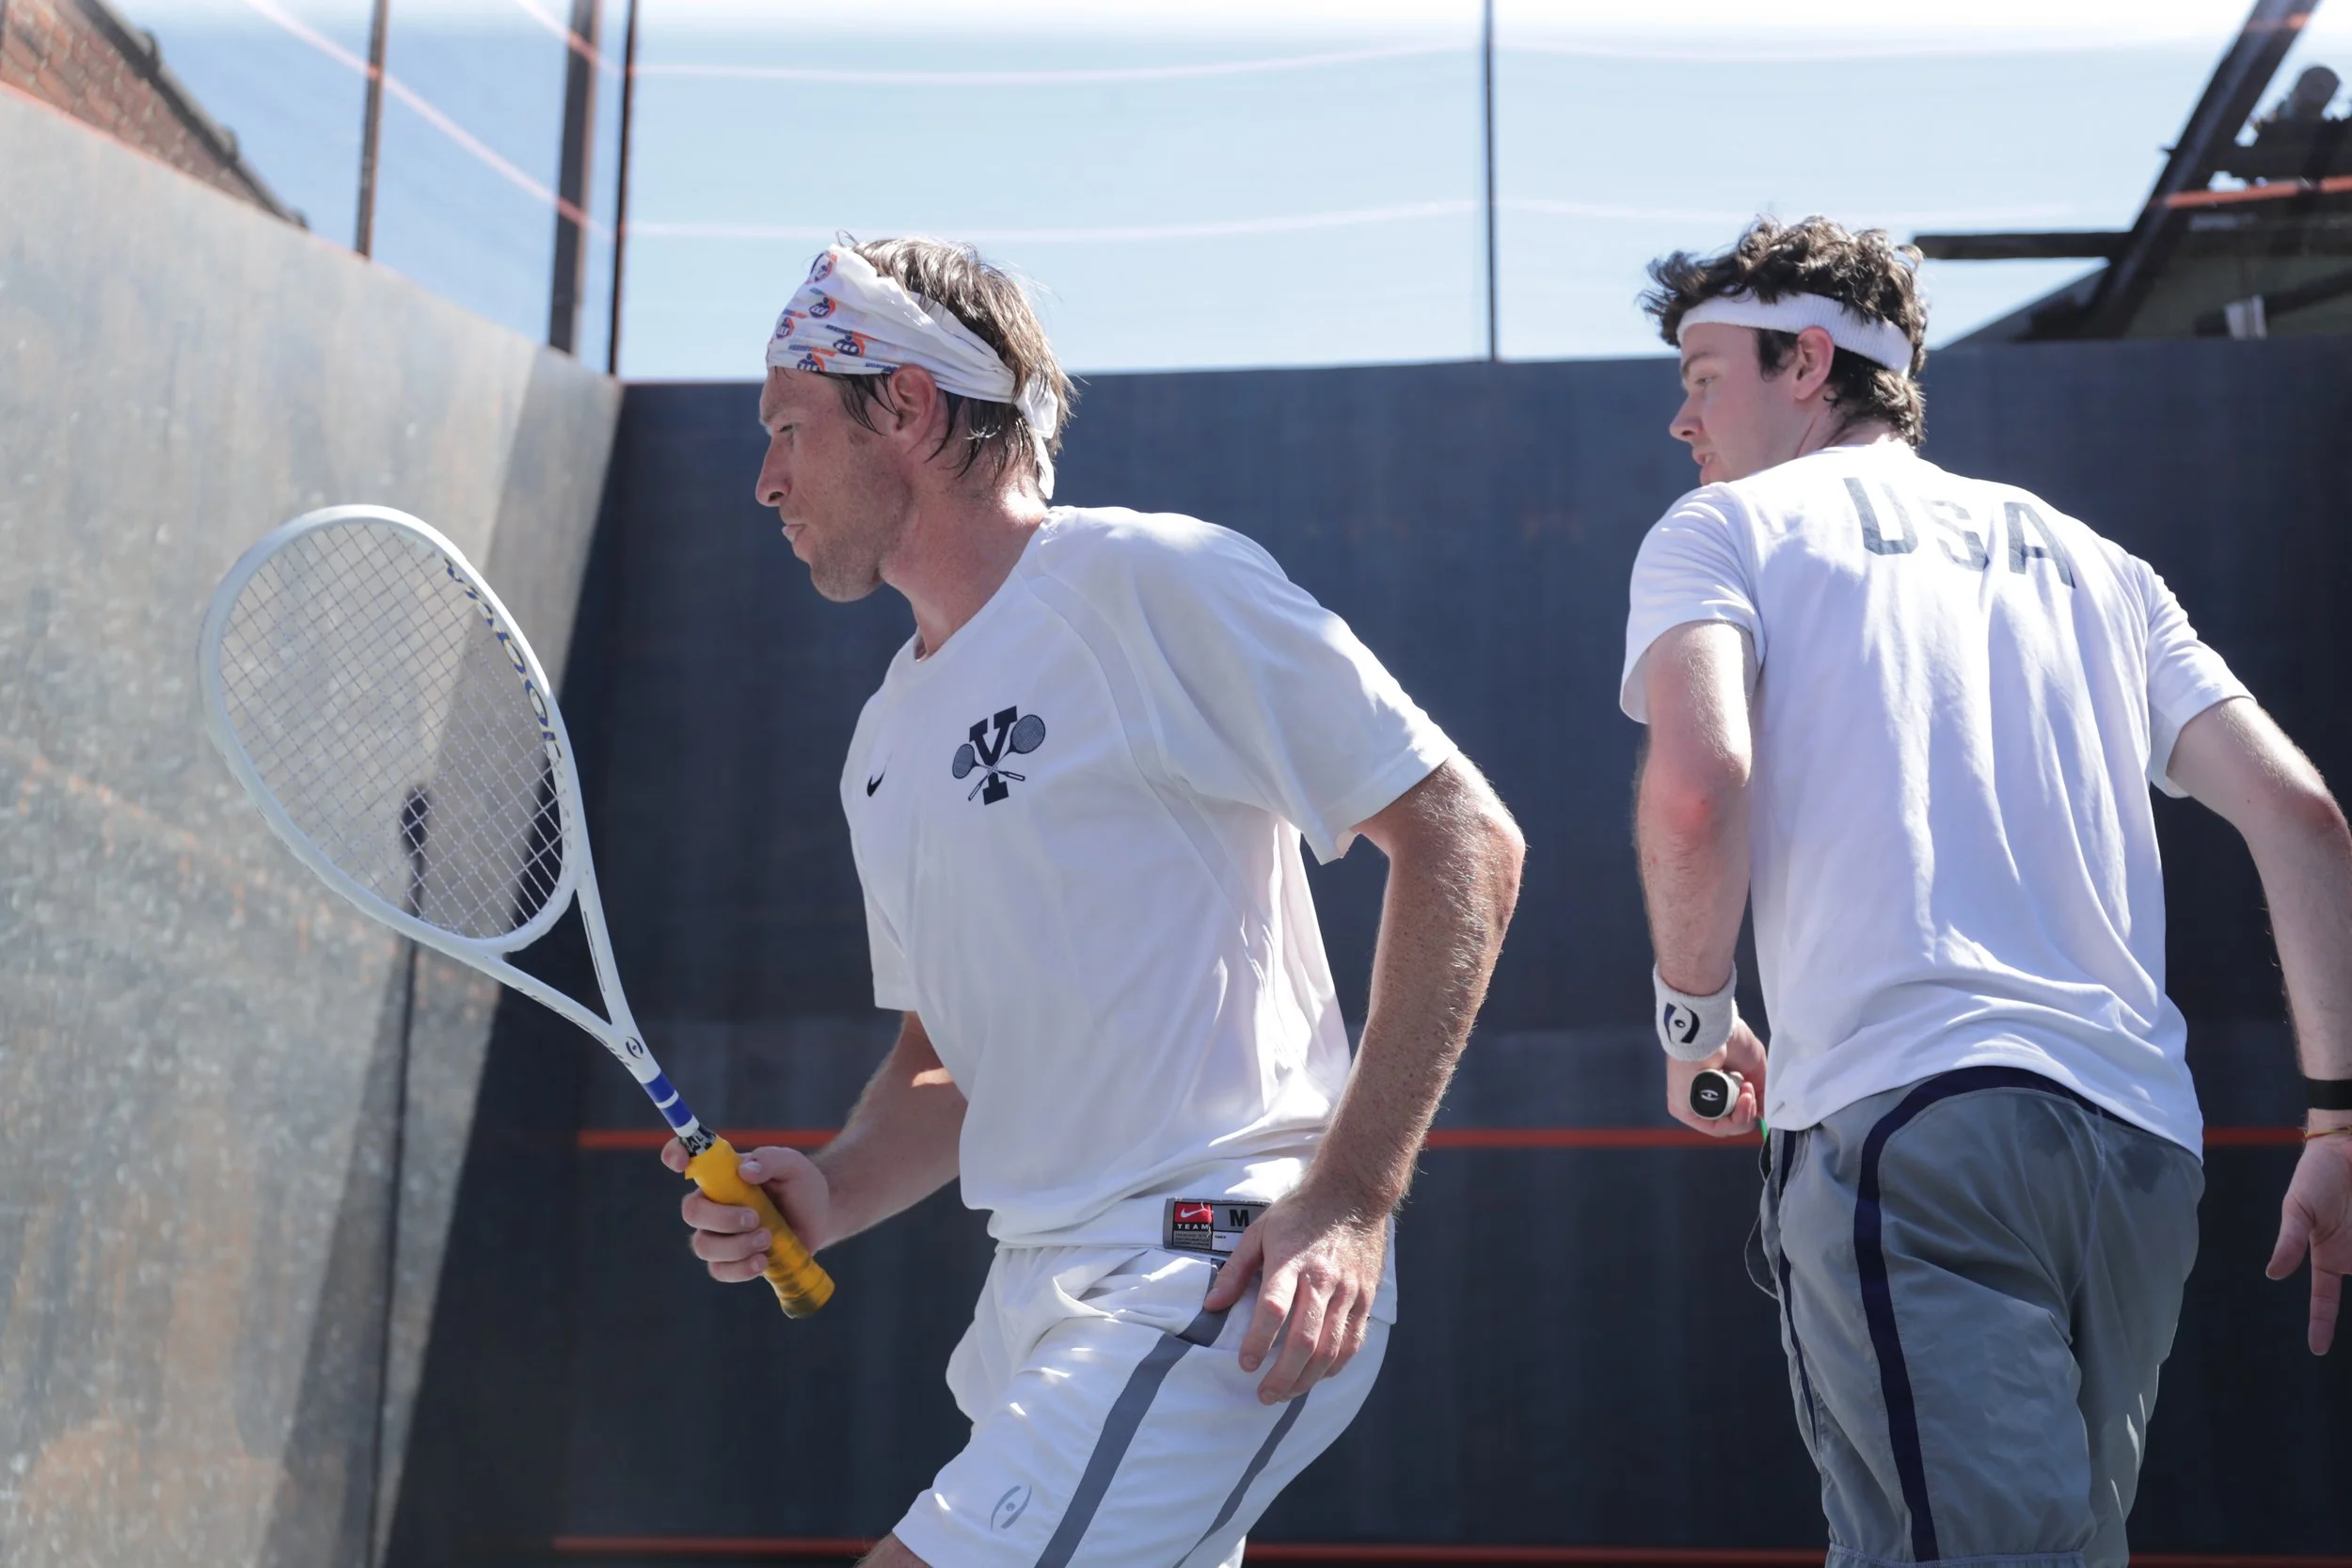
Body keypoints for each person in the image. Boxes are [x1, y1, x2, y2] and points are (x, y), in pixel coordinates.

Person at [663, 237, 1525, 1568]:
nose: (766, 480)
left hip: (1208, 1263)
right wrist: (830, 1188)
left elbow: (1466, 838)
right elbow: (947, 1055)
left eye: (789, 429)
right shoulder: (882, 741)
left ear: (908, 406)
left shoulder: (1150, 581)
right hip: (1038, 1308)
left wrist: (1353, 1196)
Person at [1620, 215, 2352, 1568]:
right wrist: (2340, 1119)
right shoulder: (2106, 569)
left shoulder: (1719, 531)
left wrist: (1693, 1019)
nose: (1683, 419)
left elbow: (1697, 788)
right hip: (2141, 1156)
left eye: (1704, 377)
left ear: (1808, 362)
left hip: (1908, 1131)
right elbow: (2305, 821)